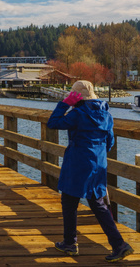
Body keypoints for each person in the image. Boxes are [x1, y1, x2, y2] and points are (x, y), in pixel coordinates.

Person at [47, 80, 134, 262]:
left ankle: (70, 243)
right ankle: (119, 244)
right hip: (97, 164)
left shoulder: (77, 114)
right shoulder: (106, 115)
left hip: (78, 163)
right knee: (98, 204)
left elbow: (53, 123)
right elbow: (110, 142)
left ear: (76, 97)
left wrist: (64, 104)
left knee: (69, 201)